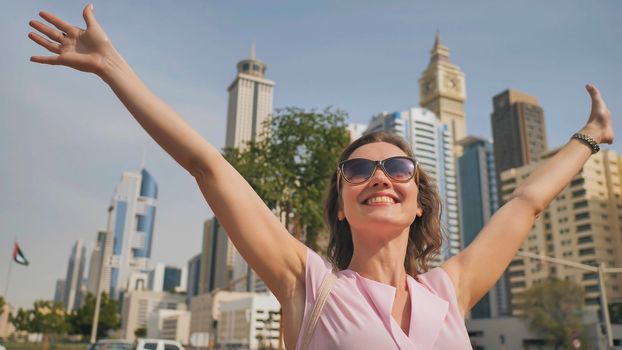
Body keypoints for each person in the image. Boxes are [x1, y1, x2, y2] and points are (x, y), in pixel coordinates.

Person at [28, 5, 615, 349]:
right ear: (340, 203)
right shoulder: (307, 283)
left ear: (418, 203)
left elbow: (525, 205)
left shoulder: (449, 291)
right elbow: (209, 165)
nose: (378, 176)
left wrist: (590, 139)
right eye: (358, 170)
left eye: (397, 167)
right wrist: (113, 70)